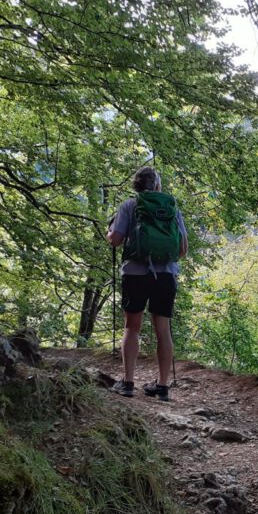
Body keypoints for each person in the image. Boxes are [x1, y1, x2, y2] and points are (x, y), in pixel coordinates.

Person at [106, 166, 188, 401]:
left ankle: (128, 382)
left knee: (132, 327)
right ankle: (162, 386)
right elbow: (182, 250)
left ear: (136, 186)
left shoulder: (130, 206)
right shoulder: (172, 208)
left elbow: (116, 240)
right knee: (163, 329)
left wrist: (109, 232)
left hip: (135, 273)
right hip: (166, 275)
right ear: (158, 186)